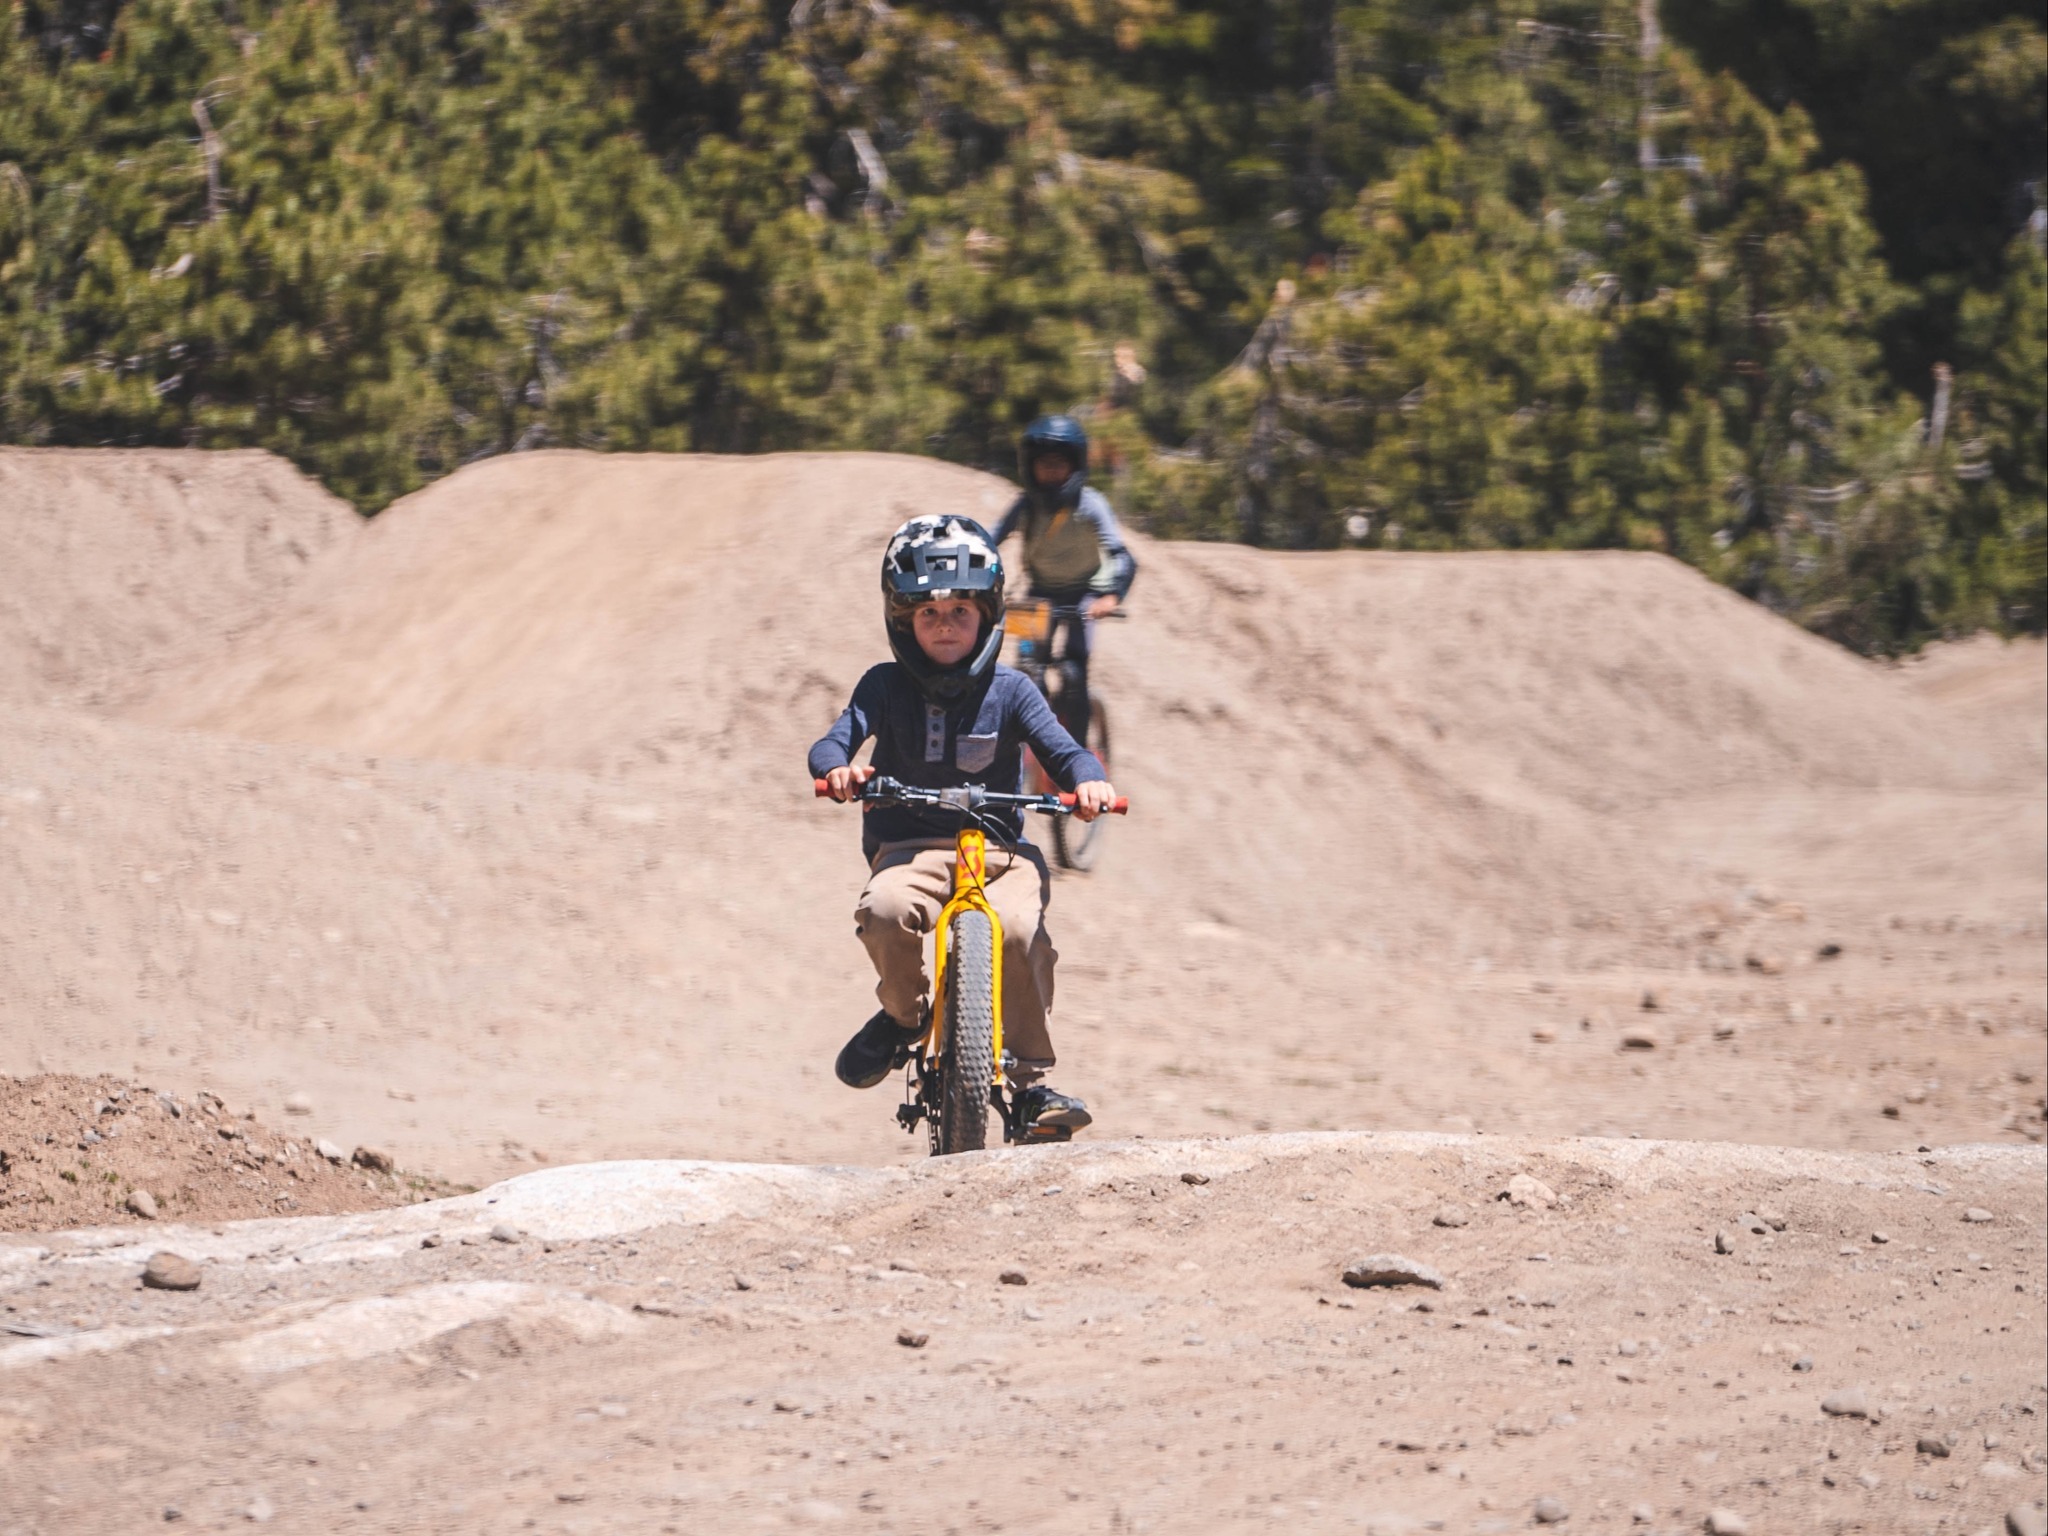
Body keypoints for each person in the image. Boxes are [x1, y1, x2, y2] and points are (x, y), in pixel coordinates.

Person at [809, 514, 1118, 1137]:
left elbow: (1065, 750)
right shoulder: (884, 684)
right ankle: (904, 1018)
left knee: (1018, 932)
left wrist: (1087, 781)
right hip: (908, 849)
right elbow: (834, 741)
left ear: (988, 614)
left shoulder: (1015, 689)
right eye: (927, 614)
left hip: (1000, 854)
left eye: (959, 612)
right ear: (902, 621)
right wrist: (839, 769)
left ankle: (1030, 1088)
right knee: (887, 912)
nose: (944, 625)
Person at [989, 415, 1137, 746]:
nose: (1052, 471)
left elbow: (1121, 555)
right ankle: (1023, 746)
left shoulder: (1091, 504)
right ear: (1031, 466)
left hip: (1084, 596)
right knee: (1026, 670)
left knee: (1074, 674)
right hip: (1038, 594)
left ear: (1075, 465)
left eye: (1060, 464)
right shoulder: (1026, 504)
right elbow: (991, 538)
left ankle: (1077, 757)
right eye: (1045, 464)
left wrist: (1111, 596)